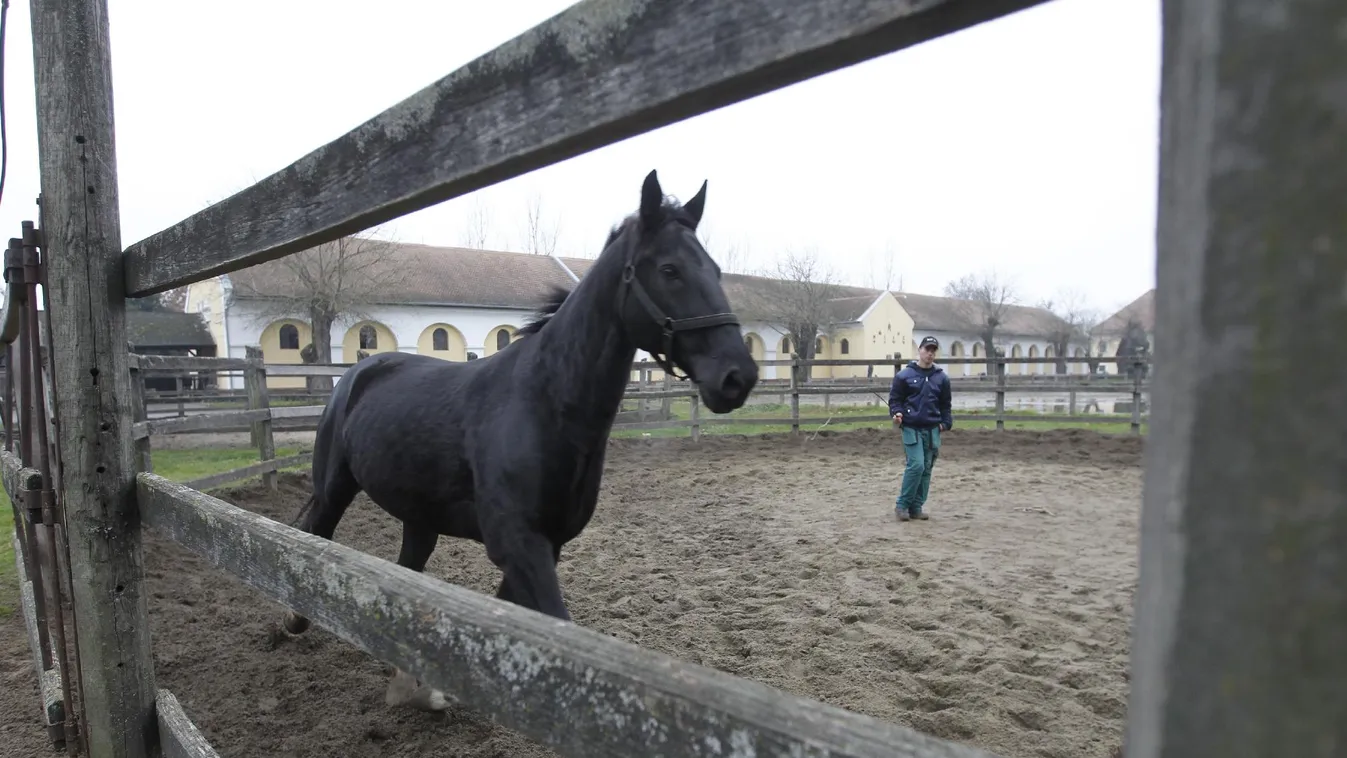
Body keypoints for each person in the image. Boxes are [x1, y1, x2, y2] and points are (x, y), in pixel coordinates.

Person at [888, 336, 952, 521]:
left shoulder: (941, 378)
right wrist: (897, 413)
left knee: (926, 469)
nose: (930, 353)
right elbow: (895, 400)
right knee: (916, 465)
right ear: (920, 350)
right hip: (911, 428)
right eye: (927, 349)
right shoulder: (904, 376)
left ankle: (916, 507)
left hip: (932, 429)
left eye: (933, 350)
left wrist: (945, 423)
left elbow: (945, 404)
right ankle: (902, 505)